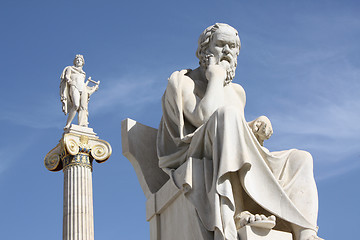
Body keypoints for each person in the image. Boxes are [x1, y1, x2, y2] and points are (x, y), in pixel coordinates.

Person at [157, 23, 322, 240]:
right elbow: (204, 118)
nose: (227, 51)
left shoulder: (237, 91)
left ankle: (306, 232)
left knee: (300, 158)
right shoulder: (183, 81)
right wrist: (215, 76)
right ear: (204, 50)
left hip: (219, 145)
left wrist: (255, 127)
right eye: (221, 44)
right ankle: (237, 213)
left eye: (233, 47)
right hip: (192, 151)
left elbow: (235, 137)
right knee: (227, 116)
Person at [60, 55, 99, 129]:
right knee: (76, 105)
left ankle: (82, 124)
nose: (78, 61)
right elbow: (67, 76)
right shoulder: (70, 68)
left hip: (83, 88)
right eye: (77, 60)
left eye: (80, 60)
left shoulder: (83, 73)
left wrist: (93, 88)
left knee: (83, 107)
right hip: (74, 86)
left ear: (82, 63)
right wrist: (69, 81)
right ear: (75, 62)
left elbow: (84, 84)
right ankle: (68, 124)